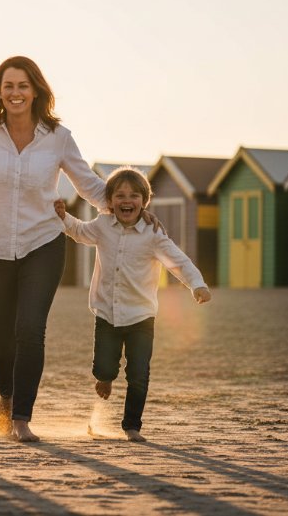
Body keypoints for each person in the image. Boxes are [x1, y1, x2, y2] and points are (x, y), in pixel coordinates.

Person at [0, 56, 118, 442]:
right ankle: (6, 395)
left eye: (22, 85)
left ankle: (21, 416)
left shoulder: (58, 137)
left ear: (36, 90)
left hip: (43, 243)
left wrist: (131, 208)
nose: (15, 93)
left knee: (30, 329)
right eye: (8, 86)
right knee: (2, 337)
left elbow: (89, 184)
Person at [55, 167, 211, 442]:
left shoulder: (153, 234)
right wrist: (63, 217)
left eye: (134, 196)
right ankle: (105, 377)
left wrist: (197, 284)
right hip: (106, 312)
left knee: (138, 374)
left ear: (144, 201)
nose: (127, 200)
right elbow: (79, 232)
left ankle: (132, 426)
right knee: (104, 367)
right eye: (120, 195)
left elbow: (178, 262)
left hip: (141, 316)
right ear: (110, 201)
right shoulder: (103, 225)